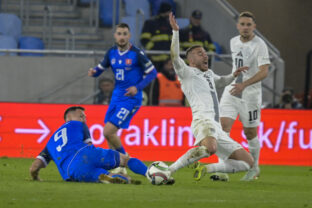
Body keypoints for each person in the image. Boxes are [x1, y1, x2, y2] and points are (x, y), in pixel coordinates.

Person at [167, 12, 255, 181]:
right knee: (210, 148)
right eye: (200, 53)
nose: (205, 55)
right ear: (191, 60)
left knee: (247, 162)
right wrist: (176, 32)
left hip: (217, 126)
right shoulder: (186, 72)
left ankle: (206, 168)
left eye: (205, 52)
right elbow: (174, 56)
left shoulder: (209, 74)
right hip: (203, 120)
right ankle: (169, 170)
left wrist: (233, 75)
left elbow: (221, 82)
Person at [88, 23, 157, 160]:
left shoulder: (137, 54)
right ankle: (117, 166)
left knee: (107, 131)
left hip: (130, 99)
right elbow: (100, 69)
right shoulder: (111, 53)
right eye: (119, 34)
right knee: (110, 134)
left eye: (125, 34)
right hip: (116, 97)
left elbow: (152, 73)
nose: (122, 37)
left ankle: (124, 159)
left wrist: (137, 87)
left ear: (129, 36)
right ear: (115, 35)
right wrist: (94, 72)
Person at [29, 106, 148, 184]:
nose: (84, 119)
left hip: (72, 172)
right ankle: (149, 173)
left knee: (105, 176)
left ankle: (110, 177)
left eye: (85, 117)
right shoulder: (78, 124)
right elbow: (90, 146)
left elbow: (34, 167)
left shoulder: (49, 144)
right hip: (86, 154)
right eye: (81, 116)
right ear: (69, 117)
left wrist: (36, 178)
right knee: (125, 159)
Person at [219, 11, 271, 181]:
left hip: (250, 94)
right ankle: (222, 169)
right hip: (232, 89)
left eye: (249, 24)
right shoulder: (233, 42)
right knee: (222, 128)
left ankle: (254, 168)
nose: (245, 27)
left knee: (250, 133)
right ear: (238, 26)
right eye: (242, 24)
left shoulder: (260, 45)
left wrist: (244, 85)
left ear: (254, 27)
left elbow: (264, 72)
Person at [140, 2, 172, 71]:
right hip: (153, 60)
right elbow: (144, 40)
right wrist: (154, 51)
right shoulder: (150, 23)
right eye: (169, 12)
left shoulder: (169, 25)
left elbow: (172, 41)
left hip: (167, 62)